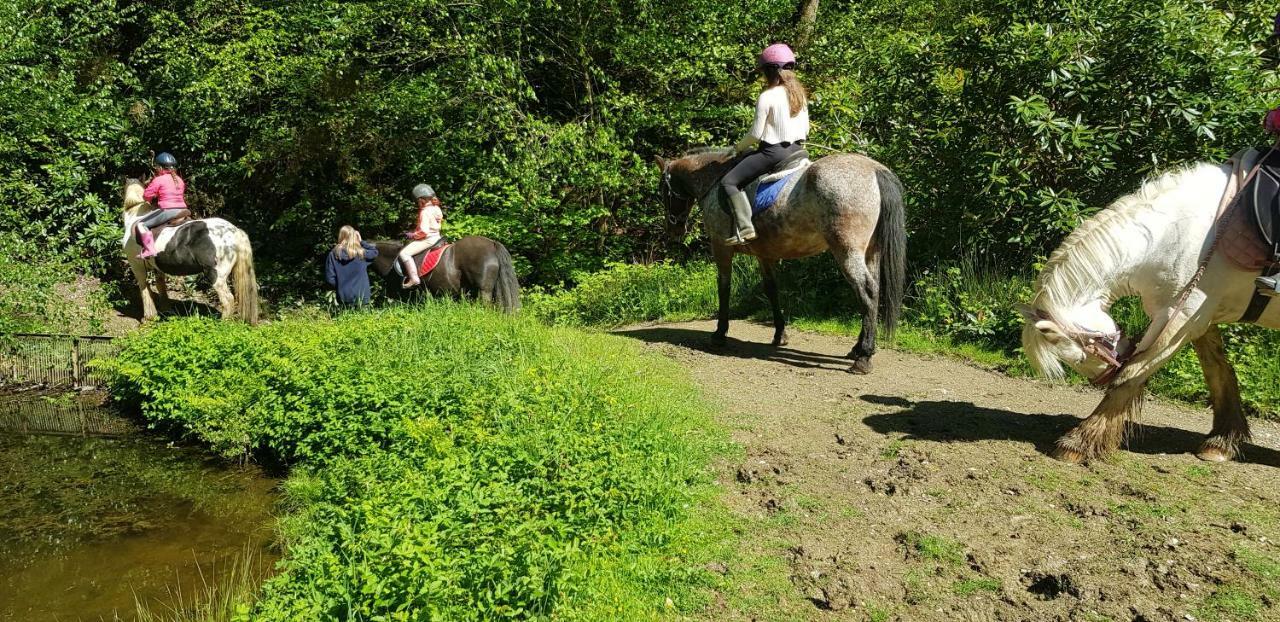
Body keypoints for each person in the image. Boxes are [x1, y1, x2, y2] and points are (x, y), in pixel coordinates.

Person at [721, 43, 810, 245]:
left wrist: (737, 148)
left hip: (773, 153)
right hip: (798, 151)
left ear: (769, 71)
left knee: (729, 182)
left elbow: (755, 134)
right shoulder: (800, 95)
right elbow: (806, 129)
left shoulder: (767, 96)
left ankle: (745, 228)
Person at [134, 152, 191, 259]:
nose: (156, 169)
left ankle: (149, 249)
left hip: (168, 211)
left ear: (160, 168)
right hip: (183, 209)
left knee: (141, 225)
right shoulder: (179, 180)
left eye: (157, 167)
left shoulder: (158, 179)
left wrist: (153, 196)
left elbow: (146, 196)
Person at [398, 183, 444, 288]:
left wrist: (413, 235)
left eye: (417, 201)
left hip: (428, 240)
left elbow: (424, 231)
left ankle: (414, 278)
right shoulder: (436, 208)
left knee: (404, 253)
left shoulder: (425, 211)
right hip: (438, 237)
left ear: (420, 199)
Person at [325, 225, 379, 307]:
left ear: (340, 236)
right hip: (363, 297)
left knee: (346, 319)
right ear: (354, 236)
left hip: (344, 298)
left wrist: (340, 286)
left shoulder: (333, 254)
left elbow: (330, 279)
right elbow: (374, 252)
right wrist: (361, 241)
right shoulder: (361, 253)